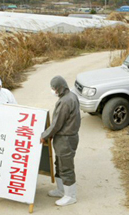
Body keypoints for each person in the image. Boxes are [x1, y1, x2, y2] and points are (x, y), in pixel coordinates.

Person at [40, 76, 81, 206]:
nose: (53, 91)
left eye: (53, 88)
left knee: (66, 167)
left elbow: (56, 124)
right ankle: (60, 190)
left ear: (59, 88)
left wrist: (44, 135)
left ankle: (70, 196)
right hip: (63, 138)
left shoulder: (65, 101)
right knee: (59, 164)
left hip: (66, 139)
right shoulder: (71, 96)